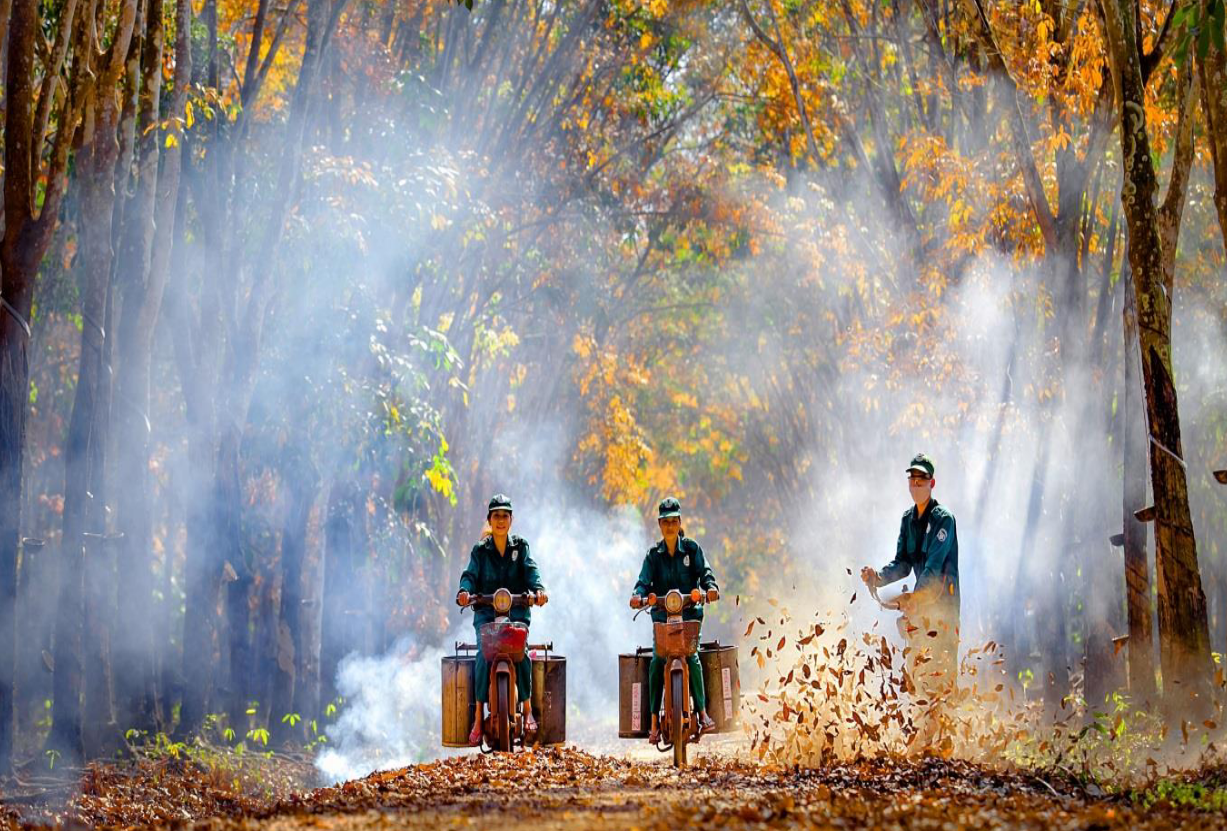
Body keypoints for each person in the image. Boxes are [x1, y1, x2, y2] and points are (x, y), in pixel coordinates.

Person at [860, 453, 960, 741]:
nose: (916, 485)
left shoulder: (944, 521)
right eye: (912, 480)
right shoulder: (907, 519)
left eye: (922, 480)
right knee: (918, 670)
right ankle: (923, 739)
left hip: (944, 609)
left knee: (942, 672)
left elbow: (932, 569)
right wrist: (877, 577)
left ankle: (948, 741)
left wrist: (913, 599)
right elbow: (903, 563)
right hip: (920, 609)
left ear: (932, 483)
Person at [456, 494, 547, 747]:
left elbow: (531, 570)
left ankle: (527, 709)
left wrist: (538, 590)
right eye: (496, 515)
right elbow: (469, 575)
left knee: (523, 654)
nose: (500, 520)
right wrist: (464, 592)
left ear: (511, 520)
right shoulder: (480, 551)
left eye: (505, 515)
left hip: (517, 613)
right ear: (489, 519)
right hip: (485, 614)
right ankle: (477, 718)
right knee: (482, 657)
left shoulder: (521, 547)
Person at [629, 496, 719, 744]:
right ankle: (654, 722)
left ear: (680, 523)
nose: (669, 526)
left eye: (673, 521)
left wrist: (710, 588)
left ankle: (702, 713)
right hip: (662, 618)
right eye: (664, 522)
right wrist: (637, 596)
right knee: (658, 659)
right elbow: (642, 582)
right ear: (659, 525)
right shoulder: (652, 556)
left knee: (692, 655)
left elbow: (706, 573)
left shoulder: (692, 549)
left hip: (689, 616)